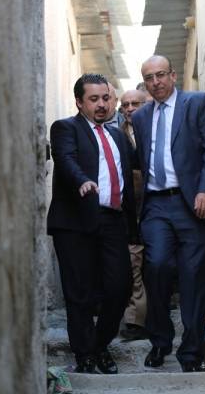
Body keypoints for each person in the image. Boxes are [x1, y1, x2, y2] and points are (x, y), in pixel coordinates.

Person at [131, 55, 205, 372]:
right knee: (156, 266)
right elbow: (141, 160)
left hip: (192, 204)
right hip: (157, 206)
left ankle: (191, 353)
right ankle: (160, 341)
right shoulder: (141, 117)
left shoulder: (198, 103)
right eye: (149, 77)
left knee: (193, 277)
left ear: (173, 75)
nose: (156, 82)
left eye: (161, 75)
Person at [47, 73, 137, 374]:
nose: (101, 104)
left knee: (120, 287)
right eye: (94, 99)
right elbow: (66, 159)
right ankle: (85, 354)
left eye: (106, 98)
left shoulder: (118, 136)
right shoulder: (65, 128)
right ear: (79, 102)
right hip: (75, 221)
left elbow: (136, 167)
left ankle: (99, 345)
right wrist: (82, 180)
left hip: (112, 220)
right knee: (79, 292)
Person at [118, 89, 151, 341]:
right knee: (134, 263)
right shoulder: (117, 135)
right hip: (131, 210)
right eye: (125, 105)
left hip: (160, 206)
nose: (129, 109)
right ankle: (135, 321)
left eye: (135, 104)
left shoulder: (156, 129)